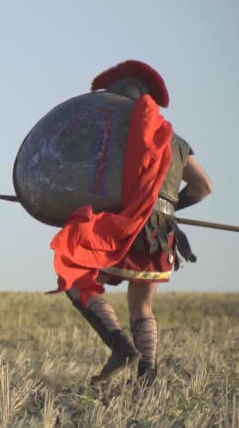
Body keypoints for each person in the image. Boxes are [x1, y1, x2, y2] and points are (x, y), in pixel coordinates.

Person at [55, 60, 213, 384]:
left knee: (73, 276)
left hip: (126, 228)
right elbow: (204, 187)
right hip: (160, 233)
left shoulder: (112, 136)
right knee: (141, 306)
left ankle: (121, 346)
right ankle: (148, 377)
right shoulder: (176, 141)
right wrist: (169, 209)